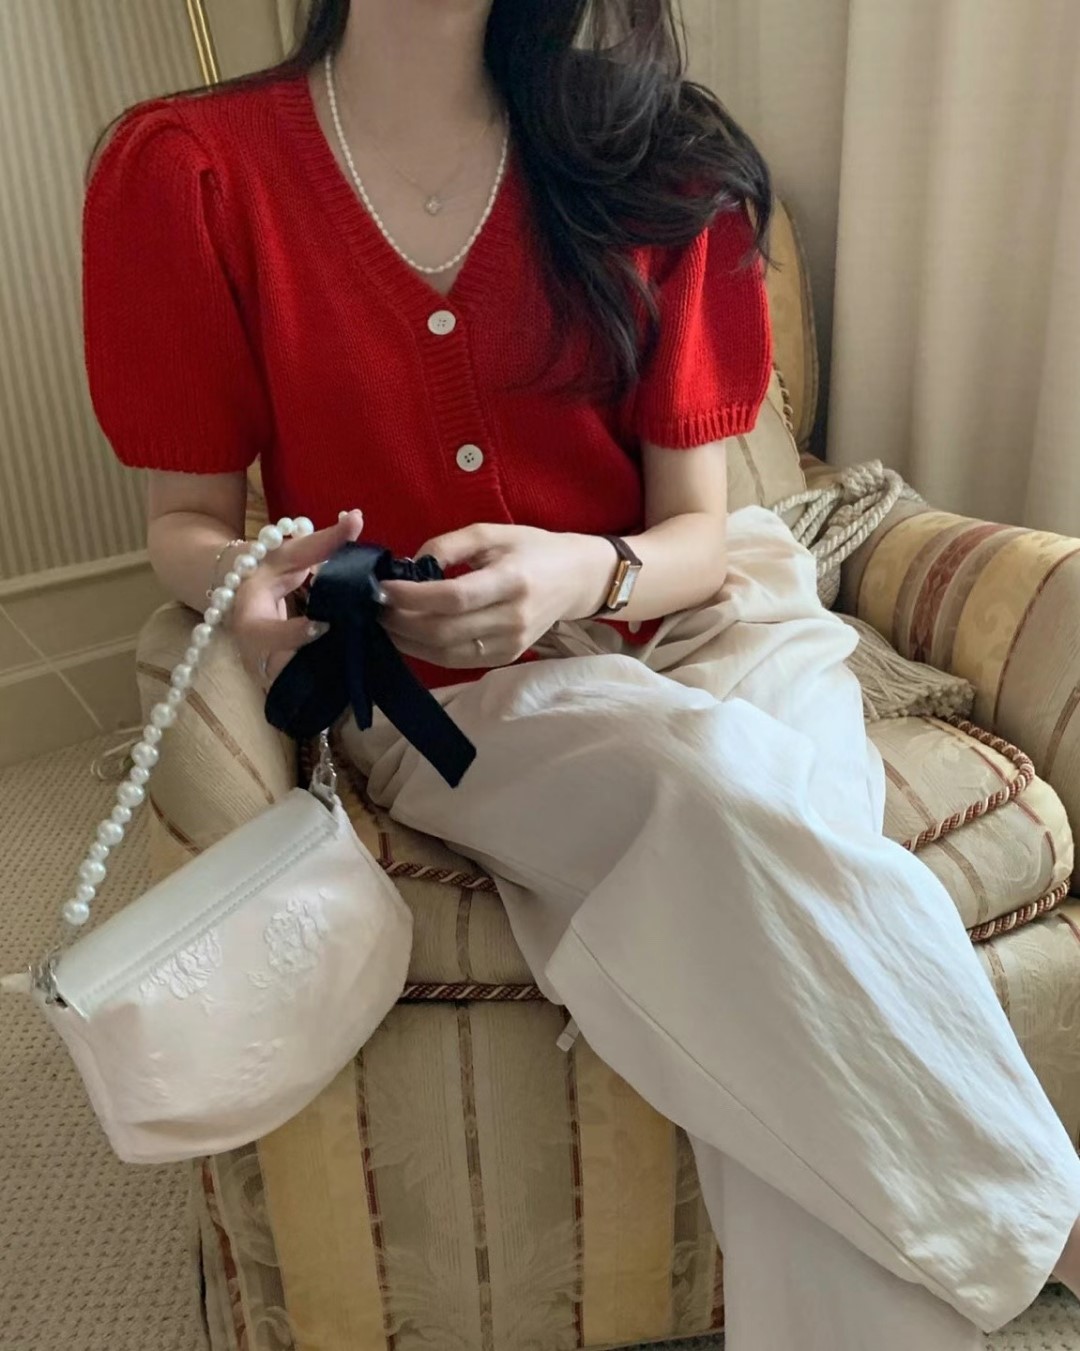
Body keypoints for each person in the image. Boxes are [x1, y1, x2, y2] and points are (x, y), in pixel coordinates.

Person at [82, 1, 1080, 1346]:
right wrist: (249, 581)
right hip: (447, 689)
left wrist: (578, 575)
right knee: (718, 796)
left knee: (762, 904)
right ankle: (1048, 1221)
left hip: (704, 612)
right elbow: (186, 525)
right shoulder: (190, 170)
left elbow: (696, 540)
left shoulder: (655, 154)